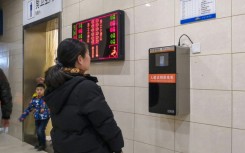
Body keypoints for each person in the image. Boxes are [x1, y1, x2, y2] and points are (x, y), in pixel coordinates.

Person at [44, 38, 124, 153]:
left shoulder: (55, 84)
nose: (90, 58)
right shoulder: (86, 87)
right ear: (80, 59)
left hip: (62, 147)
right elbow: (105, 122)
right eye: (88, 54)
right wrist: (117, 147)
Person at [19, 83, 50, 151]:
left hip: (44, 117)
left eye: (41, 90)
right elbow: (29, 109)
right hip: (37, 117)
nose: (39, 91)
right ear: (35, 90)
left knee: (40, 130)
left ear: (44, 90)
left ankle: (43, 145)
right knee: (38, 131)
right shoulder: (34, 99)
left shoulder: (46, 98)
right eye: (37, 90)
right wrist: (23, 116)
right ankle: (40, 144)